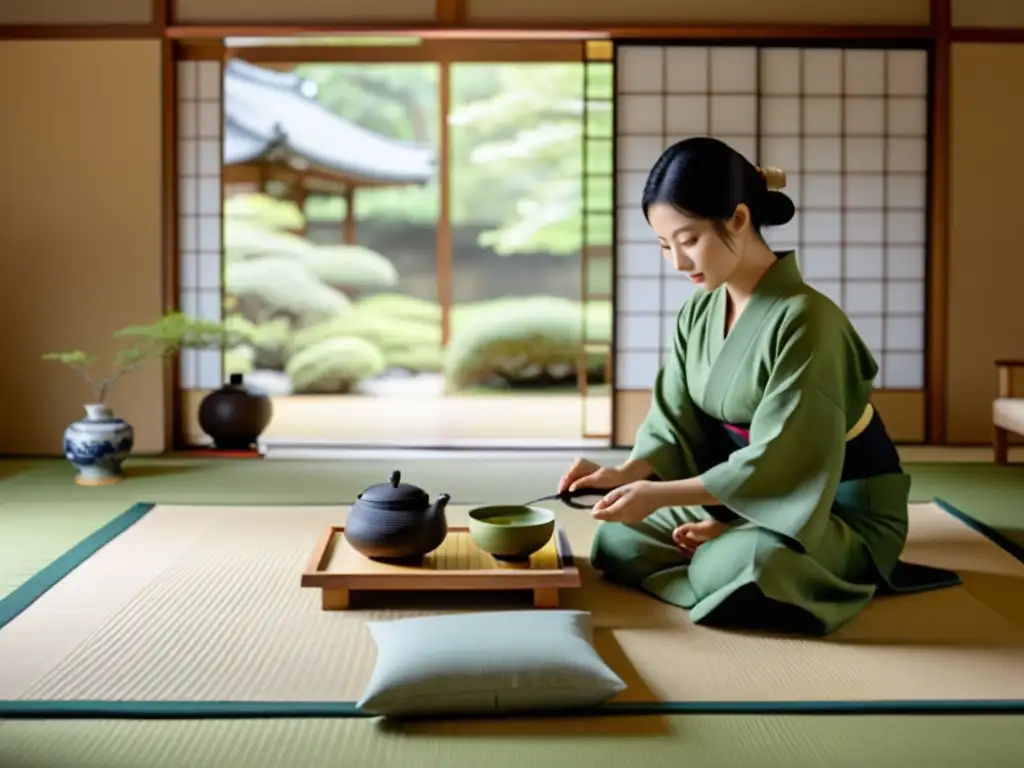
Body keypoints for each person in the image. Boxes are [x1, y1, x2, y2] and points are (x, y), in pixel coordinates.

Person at [561, 137, 954, 636]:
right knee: (620, 540)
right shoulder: (699, 312)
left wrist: (675, 502)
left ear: (740, 220)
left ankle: (734, 558)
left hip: (834, 511)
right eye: (664, 246)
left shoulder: (809, 320)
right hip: (748, 499)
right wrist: (626, 474)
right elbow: (673, 420)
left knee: (751, 561)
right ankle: (722, 565)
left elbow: (786, 458)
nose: (678, 262)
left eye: (689, 240)